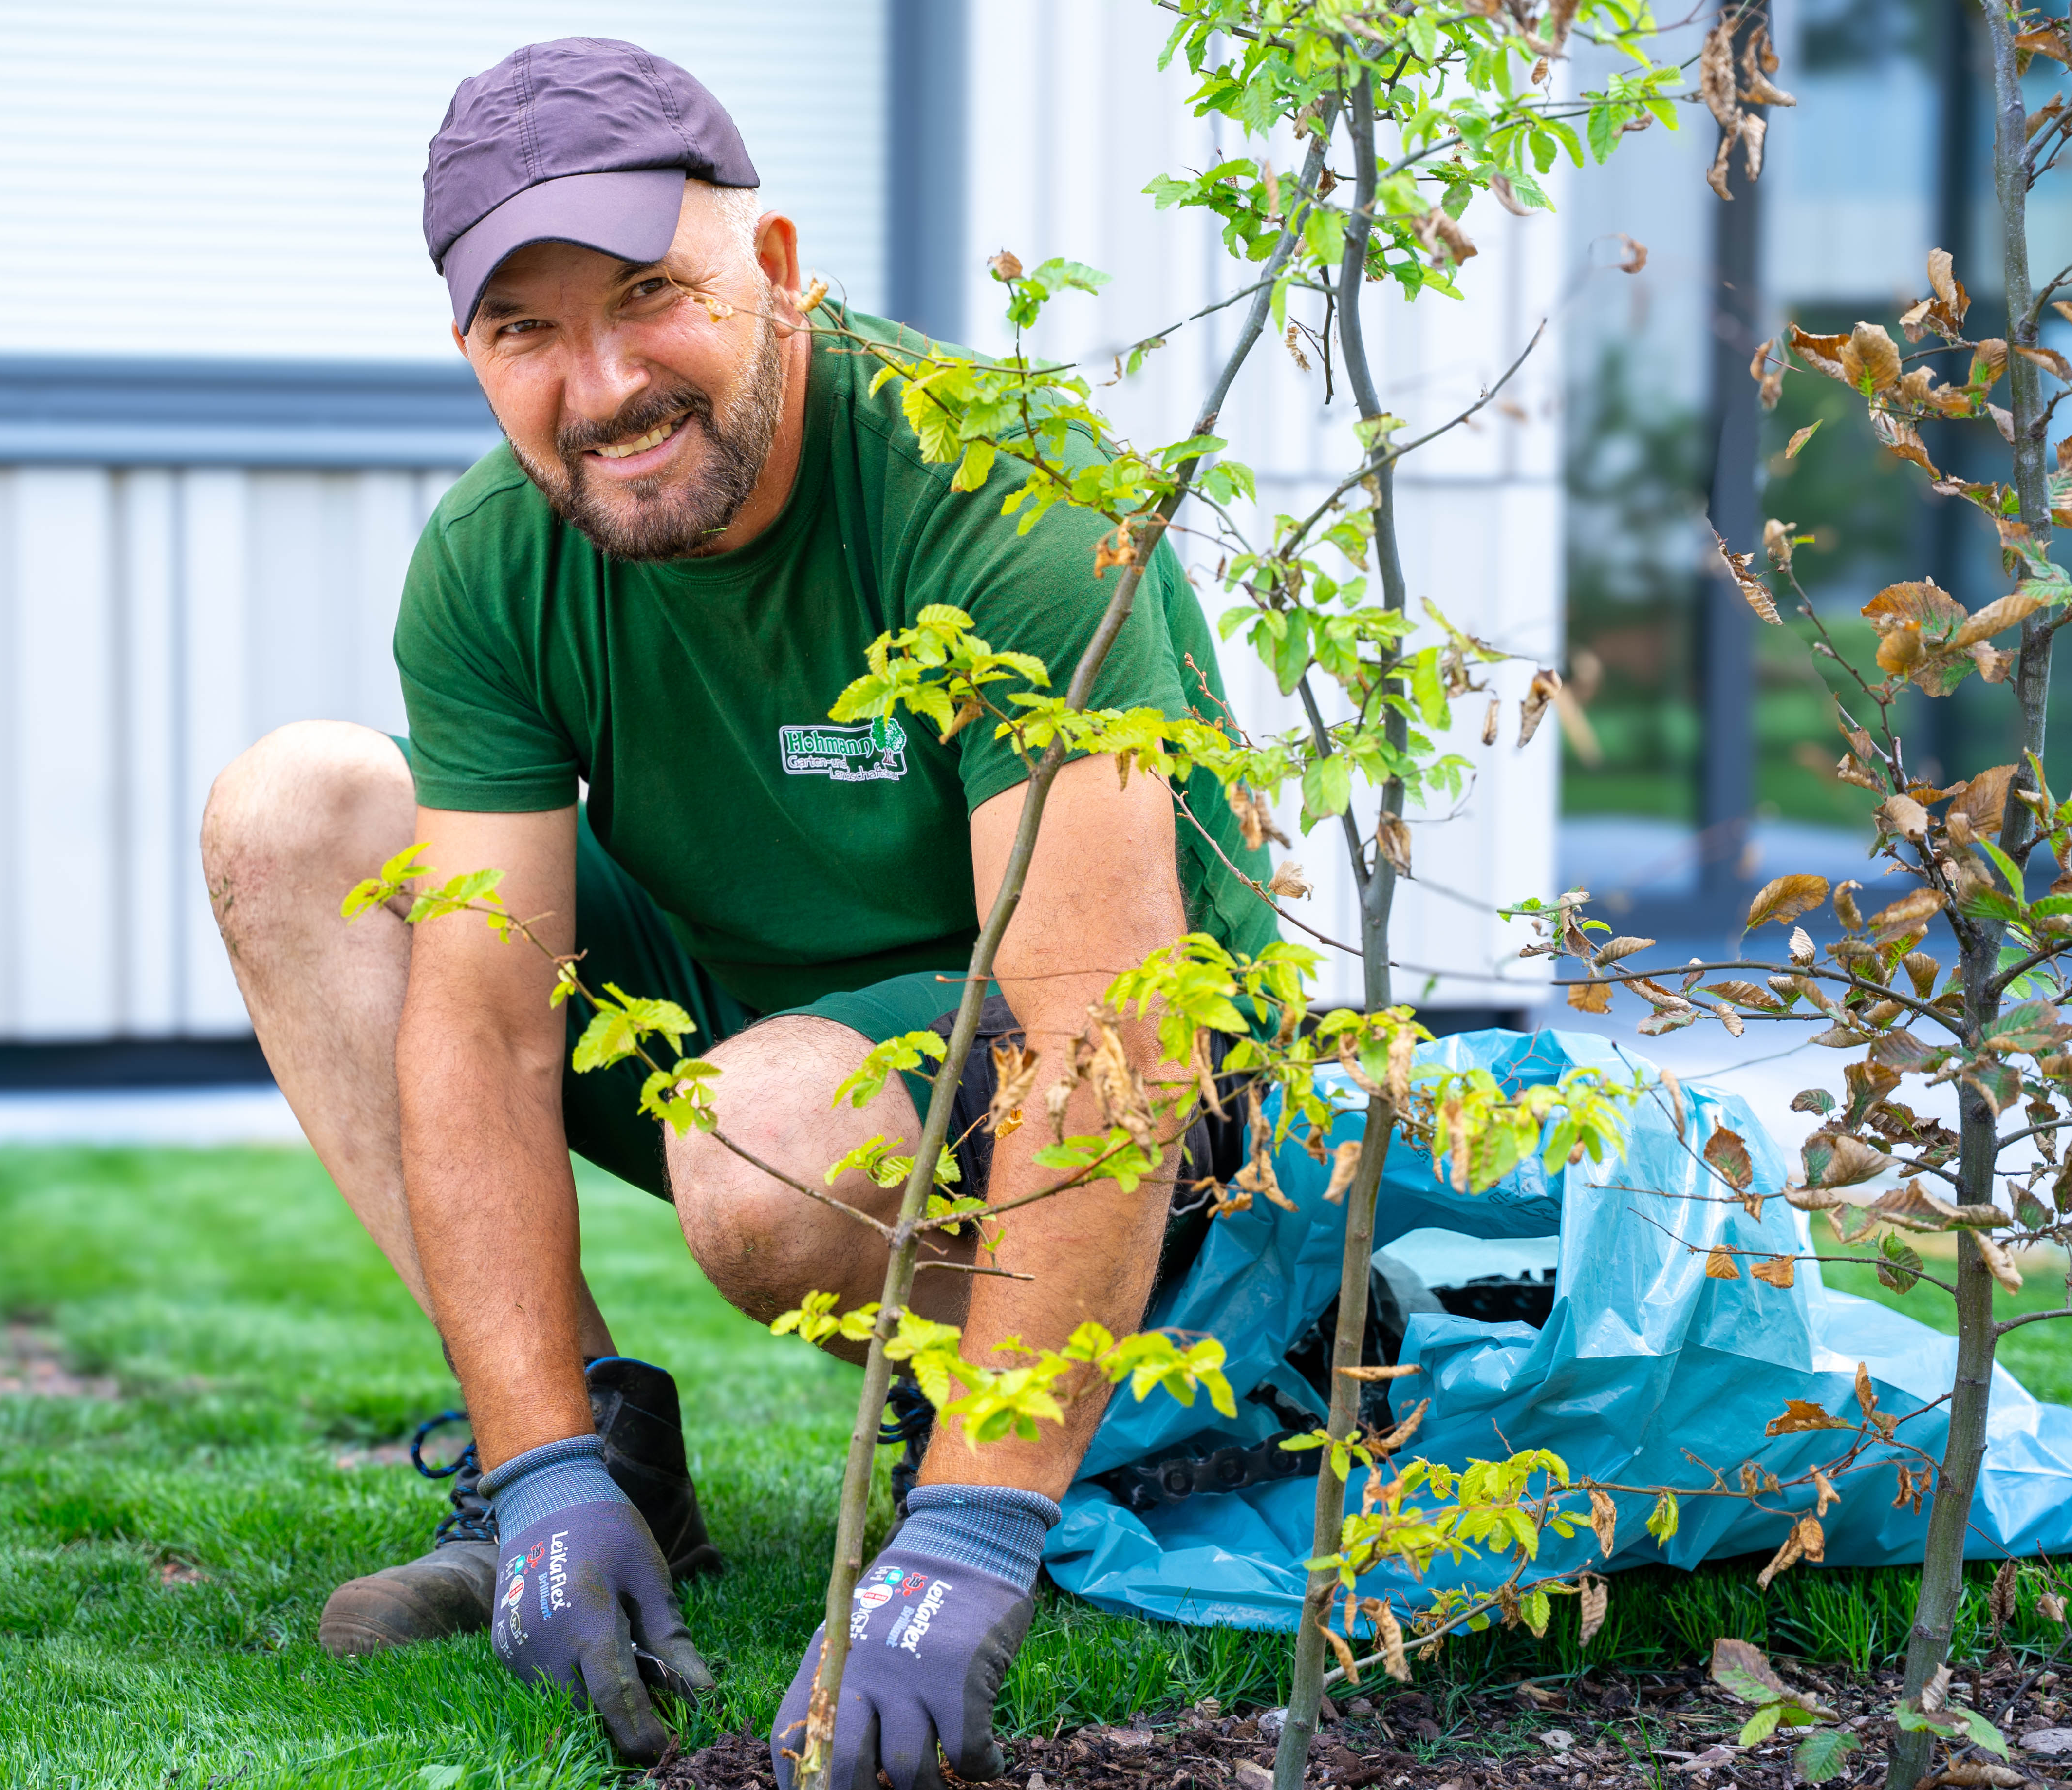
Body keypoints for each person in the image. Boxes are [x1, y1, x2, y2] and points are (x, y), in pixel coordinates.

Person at [198, 36, 1273, 1789]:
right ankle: (597, 1467)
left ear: (775, 274)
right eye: (526, 332)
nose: (604, 383)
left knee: (762, 1132)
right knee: (295, 810)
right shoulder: (496, 558)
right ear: (471, 353)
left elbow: (1113, 1017)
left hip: (1142, 1098)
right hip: (762, 1034)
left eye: (648, 296)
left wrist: (976, 1533)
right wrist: (535, 1447)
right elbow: (478, 1013)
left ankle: (995, 1424)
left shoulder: (997, 485)